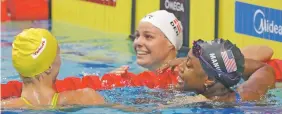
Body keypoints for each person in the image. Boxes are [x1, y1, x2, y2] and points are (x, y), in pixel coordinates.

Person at [162, 38, 276, 102]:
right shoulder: (249, 94)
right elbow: (265, 68)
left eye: (188, 65)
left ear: (209, 80)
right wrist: (228, 67)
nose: (180, 67)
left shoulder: (186, 104)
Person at [111, 10, 183, 74]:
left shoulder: (183, 81)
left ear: (170, 43)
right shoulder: (142, 76)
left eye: (148, 36)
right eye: (137, 35)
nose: (138, 42)